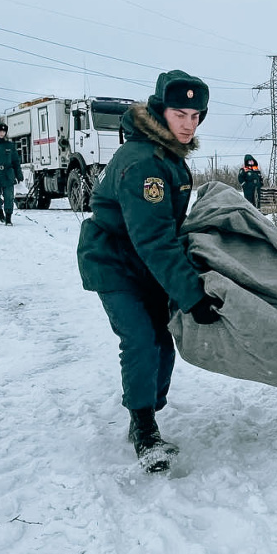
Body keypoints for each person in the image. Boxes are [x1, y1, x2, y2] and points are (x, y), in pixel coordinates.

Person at [76, 70, 222, 472]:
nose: (188, 123)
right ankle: (143, 428)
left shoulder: (168, 156)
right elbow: (155, 239)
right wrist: (192, 295)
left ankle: (147, 409)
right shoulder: (146, 163)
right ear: (160, 111)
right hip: (115, 263)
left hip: (145, 263)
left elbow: (167, 233)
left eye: (196, 115)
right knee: (140, 339)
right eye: (180, 114)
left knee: (162, 341)